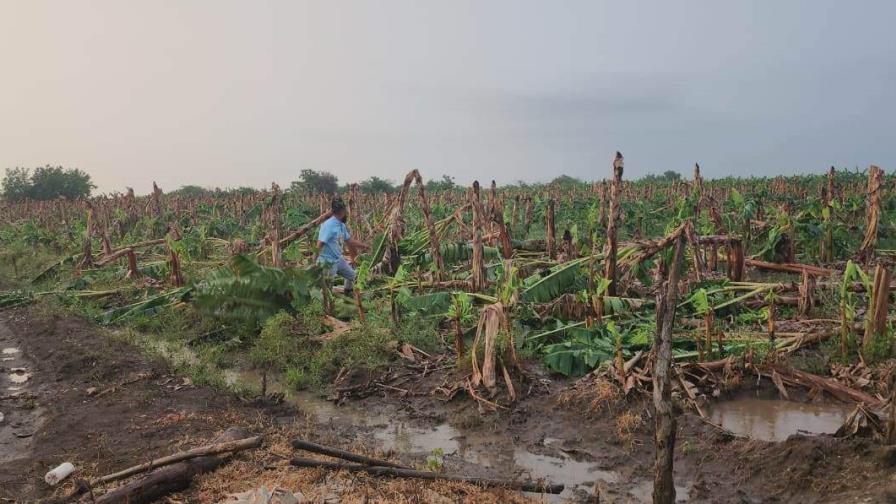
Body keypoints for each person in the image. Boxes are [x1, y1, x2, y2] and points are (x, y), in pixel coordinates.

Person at [316, 198, 369, 296]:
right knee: (327, 290)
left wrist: (364, 246)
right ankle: (321, 308)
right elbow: (320, 243)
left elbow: (349, 240)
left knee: (353, 276)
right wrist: (315, 261)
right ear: (342, 211)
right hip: (327, 262)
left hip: (338, 259)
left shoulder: (341, 225)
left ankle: (348, 291)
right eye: (345, 211)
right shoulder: (329, 225)